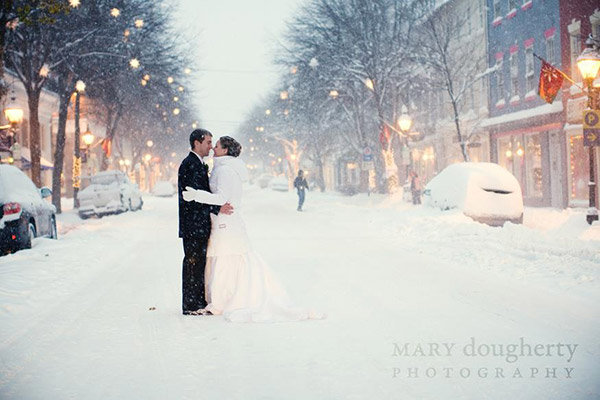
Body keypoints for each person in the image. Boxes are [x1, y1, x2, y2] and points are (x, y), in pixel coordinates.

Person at [183, 136, 322, 323]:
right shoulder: (224, 168)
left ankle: (224, 300)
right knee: (228, 258)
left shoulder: (225, 170)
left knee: (227, 259)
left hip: (227, 223)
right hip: (224, 221)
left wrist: (196, 195)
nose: (213, 148)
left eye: (216, 146)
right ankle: (222, 299)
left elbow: (223, 197)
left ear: (225, 151)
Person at [178, 129, 233, 316]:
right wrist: (216, 208)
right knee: (192, 263)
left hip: (199, 224)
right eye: (208, 142)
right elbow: (193, 197)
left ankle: (197, 301)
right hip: (193, 225)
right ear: (197, 143)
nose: (210, 147)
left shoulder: (198, 164)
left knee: (199, 263)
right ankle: (191, 305)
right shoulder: (190, 165)